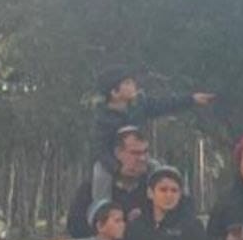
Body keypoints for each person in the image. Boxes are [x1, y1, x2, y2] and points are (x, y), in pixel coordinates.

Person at [90, 68, 213, 202]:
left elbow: (165, 104)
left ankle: (175, 204)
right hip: (114, 161)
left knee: (159, 169)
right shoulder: (103, 119)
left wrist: (191, 99)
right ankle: (101, 207)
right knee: (100, 172)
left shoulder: (139, 106)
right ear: (114, 92)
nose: (134, 85)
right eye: (127, 83)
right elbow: (100, 149)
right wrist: (117, 167)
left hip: (139, 156)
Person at [67, 127, 155, 239]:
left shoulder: (157, 186)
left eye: (145, 152)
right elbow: (75, 228)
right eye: (135, 153)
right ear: (118, 153)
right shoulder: (92, 188)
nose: (142, 158)